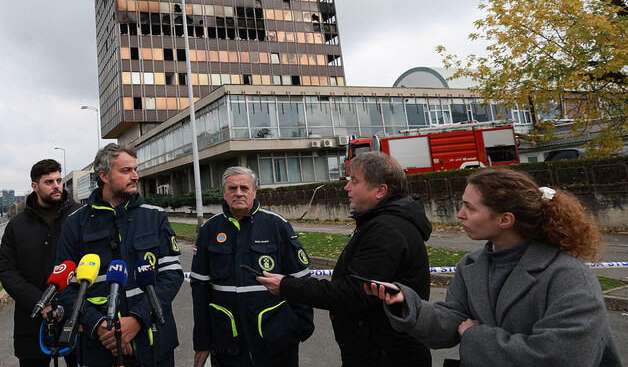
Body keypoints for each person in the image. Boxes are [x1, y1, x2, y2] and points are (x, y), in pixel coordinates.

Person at [365, 167, 622, 366]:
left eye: (469, 207)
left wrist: (476, 337)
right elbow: (454, 319)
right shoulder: (472, 265)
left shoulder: (568, 276)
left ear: (505, 219)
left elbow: (561, 357)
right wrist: (408, 304)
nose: (460, 214)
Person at [255, 151, 432, 366]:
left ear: (380, 190)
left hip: (383, 355)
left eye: (354, 181)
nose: (347, 187)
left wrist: (286, 286)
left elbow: (353, 293)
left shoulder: (387, 230)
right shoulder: (380, 223)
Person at [55, 143, 183, 367]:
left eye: (135, 169)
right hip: (99, 349)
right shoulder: (75, 223)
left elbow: (172, 275)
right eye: (126, 171)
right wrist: (101, 327)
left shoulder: (155, 217)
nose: (135, 176)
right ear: (103, 176)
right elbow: (65, 286)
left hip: (152, 344)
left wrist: (136, 320)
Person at [191, 167, 314, 367]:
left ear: (255, 191)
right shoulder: (209, 230)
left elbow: (301, 281)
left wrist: (298, 327)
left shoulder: (277, 225)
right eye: (232, 188)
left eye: (244, 188)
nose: (238, 193)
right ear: (224, 193)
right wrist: (203, 340)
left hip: (276, 342)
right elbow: (200, 288)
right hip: (227, 341)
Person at [0, 158, 82, 367]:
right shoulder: (16, 226)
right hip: (32, 320)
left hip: (78, 316)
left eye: (59, 180)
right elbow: (7, 271)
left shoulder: (81, 216)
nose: (56, 186)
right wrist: (41, 302)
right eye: (49, 182)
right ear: (35, 186)